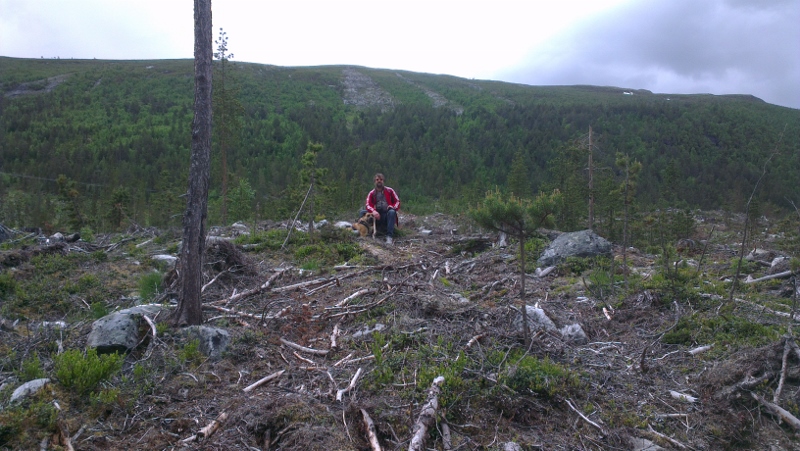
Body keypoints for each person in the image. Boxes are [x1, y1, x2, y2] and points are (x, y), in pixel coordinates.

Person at [361, 173, 400, 244]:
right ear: (374, 181)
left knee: (392, 212)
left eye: (381, 179)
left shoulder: (390, 190)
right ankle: (363, 231)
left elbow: (397, 201)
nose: (379, 181)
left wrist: (393, 207)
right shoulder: (371, 193)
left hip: (386, 215)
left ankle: (389, 237)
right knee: (362, 212)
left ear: (383, 181)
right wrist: (373, 211)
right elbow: (367, 204)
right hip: (376, 216)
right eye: (377, 180)